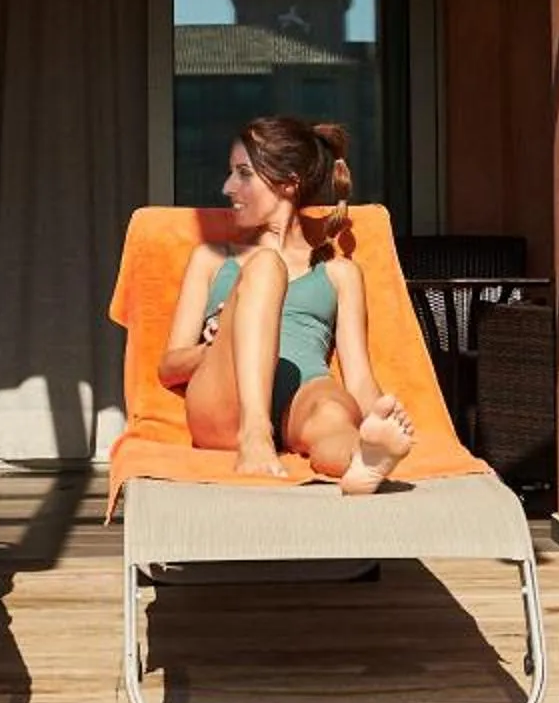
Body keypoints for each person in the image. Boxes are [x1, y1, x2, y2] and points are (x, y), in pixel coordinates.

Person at [157, 116, 415, 493]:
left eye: (243, 174)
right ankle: (256, 432)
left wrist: (381, 416)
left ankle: (361, 460)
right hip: (224, 401)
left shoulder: (339, 273)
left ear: (289, 183)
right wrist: (210, 349)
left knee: (331, 413)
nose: (228, 187)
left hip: (302, 394)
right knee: (266, 267)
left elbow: (358, 376)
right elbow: (168, 366)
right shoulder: (212, 260)